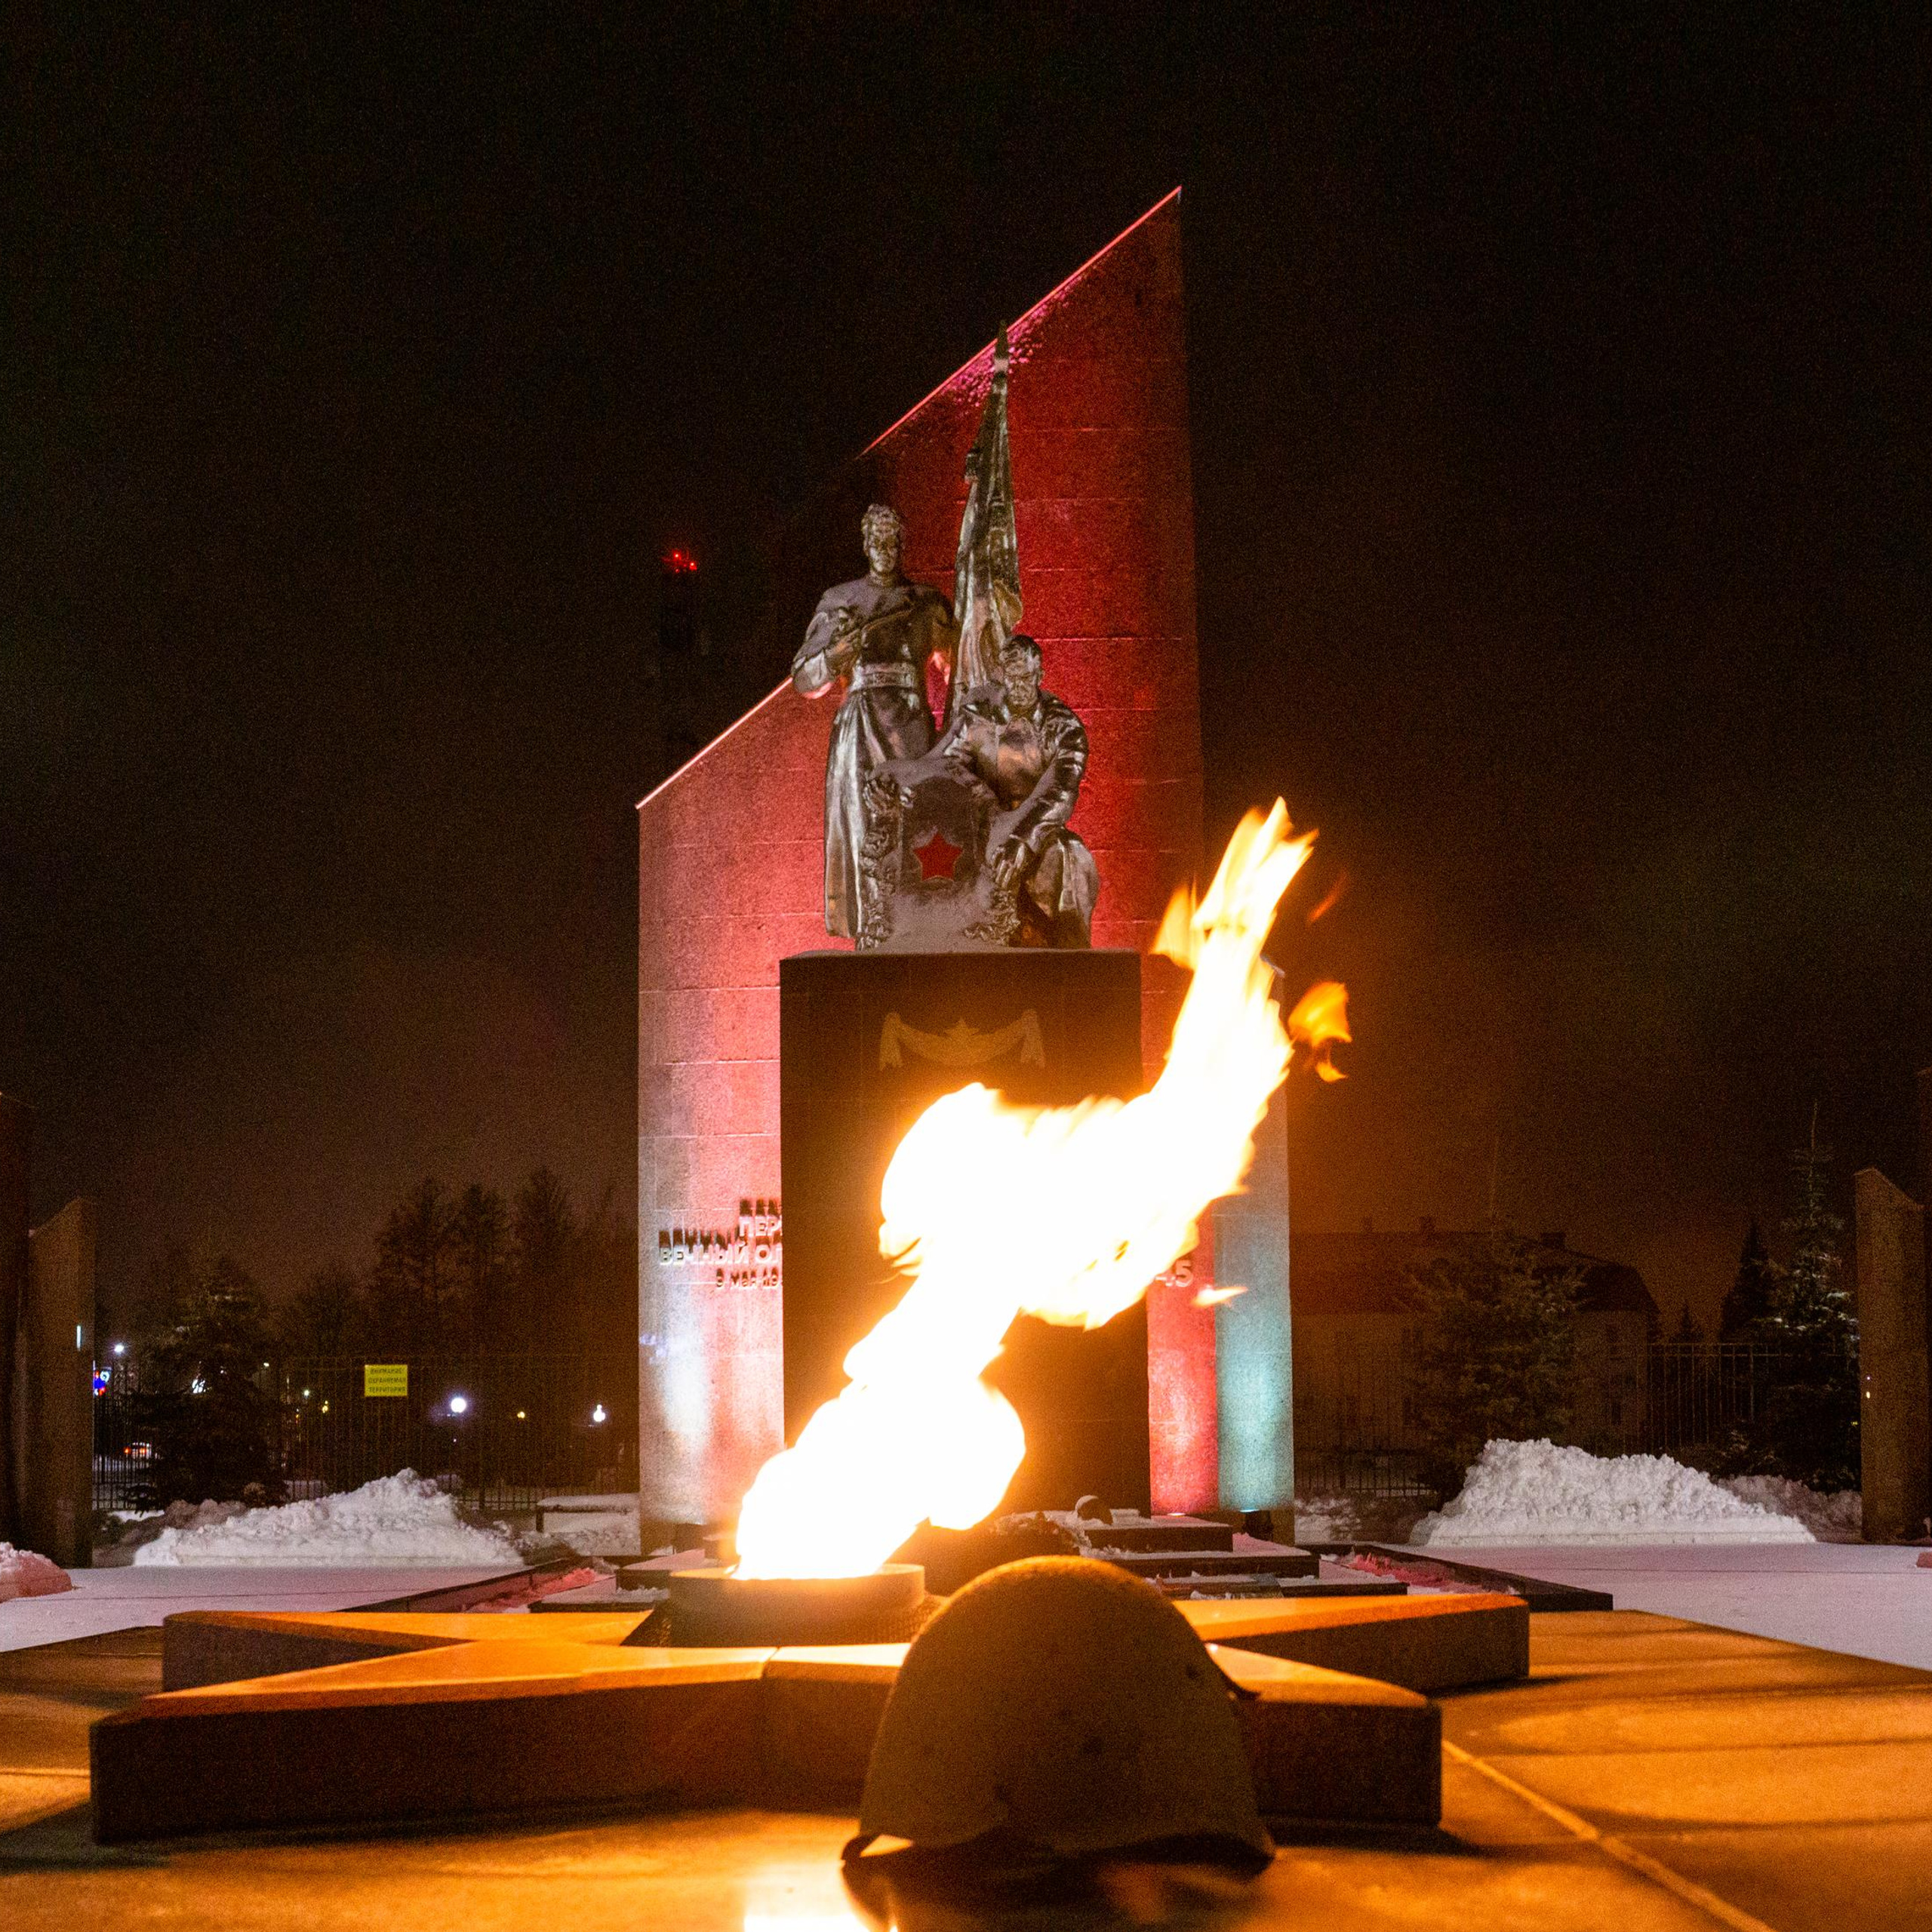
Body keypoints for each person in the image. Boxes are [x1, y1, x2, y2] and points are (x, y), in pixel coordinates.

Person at [792, 505, 956, 939]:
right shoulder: (840, 600)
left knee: (917, 831)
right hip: (860, 732)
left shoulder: (926, 603)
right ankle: (871, 932)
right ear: (865, 546)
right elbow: (804, 678)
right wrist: (835, 656)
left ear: (902, 546)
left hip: (911, 729)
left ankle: (919, 929)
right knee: (865, 830)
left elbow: (960, 670)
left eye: (892, 541)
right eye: (877, 541)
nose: (885, 549)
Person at [943, 634, 1098, 946]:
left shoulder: (1064, 727)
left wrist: (1022, 839)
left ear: (1040, 675)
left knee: (1071, 856)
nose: (1019, 686)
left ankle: (1069, 953)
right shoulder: (977, 716)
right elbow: (949, 766)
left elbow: (1061, 791)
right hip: (981, 826)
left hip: (1037, 830)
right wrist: (983, 800)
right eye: (1012, 678)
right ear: (1002, 676)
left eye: (1026, 677)